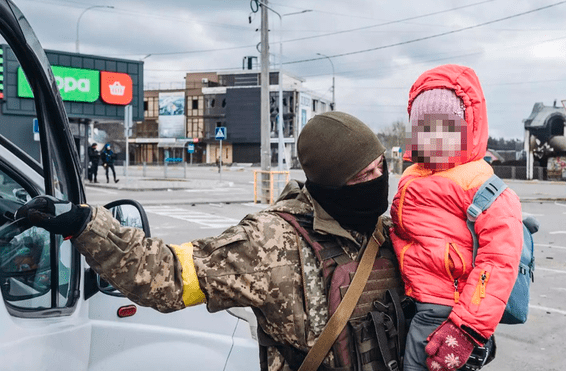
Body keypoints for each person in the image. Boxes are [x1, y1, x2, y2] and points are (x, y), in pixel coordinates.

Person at [16, 111, 393, 371]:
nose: (378, 181)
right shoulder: (270, 244)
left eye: (381, 167)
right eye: (364, 175)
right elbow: (168, 275)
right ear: (329, 182)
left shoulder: (387, 229)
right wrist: (86, 225)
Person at [390, 65, 523, 371]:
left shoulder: (481, 185)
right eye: (424, 127)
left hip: (445, 309)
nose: (434, 137)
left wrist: (466, 328)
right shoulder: (413, 175)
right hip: (411, 296)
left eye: (446, 127)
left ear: (469, 129)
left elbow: (498, 263)